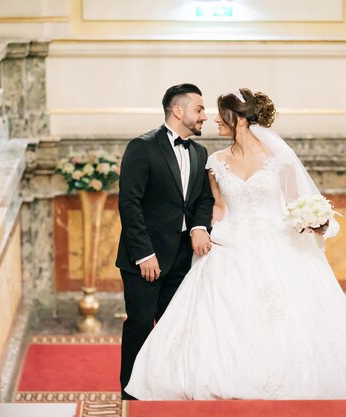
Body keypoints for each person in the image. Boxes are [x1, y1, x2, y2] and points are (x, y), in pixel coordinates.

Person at [124, 88, 346, 400]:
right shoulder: (215, 160)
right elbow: (216, 206)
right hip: (229, 242)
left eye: (221, 114)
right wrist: (206, 229)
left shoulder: (278, 159)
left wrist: (312, 219)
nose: (214, 119)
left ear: (241, 121)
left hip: (275, 242)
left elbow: (294, 202)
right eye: (206, 110)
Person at [116, 83, 215, 399]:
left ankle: (167, 390)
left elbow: (203, 199)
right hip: (146, 260)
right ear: (178, 110)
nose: (204, 116)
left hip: (184, 260)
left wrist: (200, 226)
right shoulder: (142, 147)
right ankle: (131, 395)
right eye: (199, 109)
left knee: (176, 331)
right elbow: (129, 203)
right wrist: (144, 254)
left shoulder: (200, 152)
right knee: (141, 326)